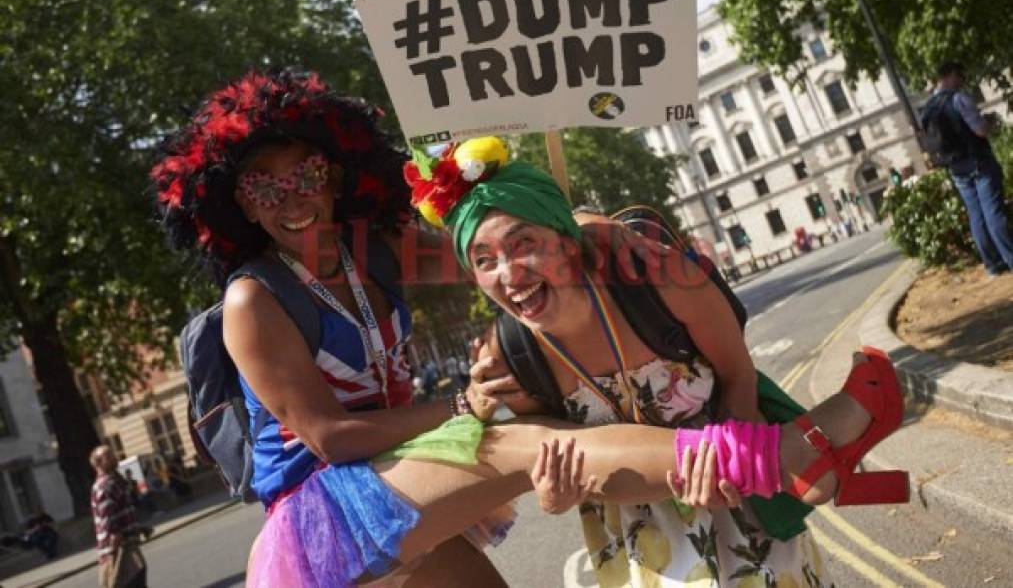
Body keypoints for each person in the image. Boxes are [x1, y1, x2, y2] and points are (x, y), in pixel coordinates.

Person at [151, 70, 901, 588]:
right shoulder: (252, 300)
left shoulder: (369, 255)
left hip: (394, 491)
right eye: (263, 187)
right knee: (517, 439)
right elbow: (330, 438)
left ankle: (765, 460)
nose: (290, 199)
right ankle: (783, 453)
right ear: (236, 205)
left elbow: (498, 239)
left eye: (304, 175)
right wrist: (459, 408)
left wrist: (587, 228)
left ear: (336, 173)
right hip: (323, 520)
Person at [408, 137, 908, 586]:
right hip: (643, 551)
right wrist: (554, 498)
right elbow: (555, 460)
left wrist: (726, 472)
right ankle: (809, 446)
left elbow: (736, 373)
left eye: (524, 245)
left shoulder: (654, 276)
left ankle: (791, 452)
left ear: (566, 241)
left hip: (743, 519)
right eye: (485, 260)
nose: (509, 272)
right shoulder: (508, 358)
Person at [925, 61, 1013, 276]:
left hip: (956, 168)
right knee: (993, 212)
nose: (961, 81)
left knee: (976, 215)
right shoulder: (959, 98)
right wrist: (990, 121)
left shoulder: (928, 108)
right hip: (978, 161)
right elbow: (980, 130)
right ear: (950, 75)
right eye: (959, 76)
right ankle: (1010, 257)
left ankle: (992, 265)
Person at [90, 446, 147, 588]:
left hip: (125, 543)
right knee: (134, 581)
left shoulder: (113, 482)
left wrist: (138, 528)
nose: (114, 457)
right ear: (98, 462)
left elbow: (121, 512)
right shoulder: (104, 485)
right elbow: (107, 518)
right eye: (108, 456)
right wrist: (113, 549)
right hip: (119, 547)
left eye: (112, 454)